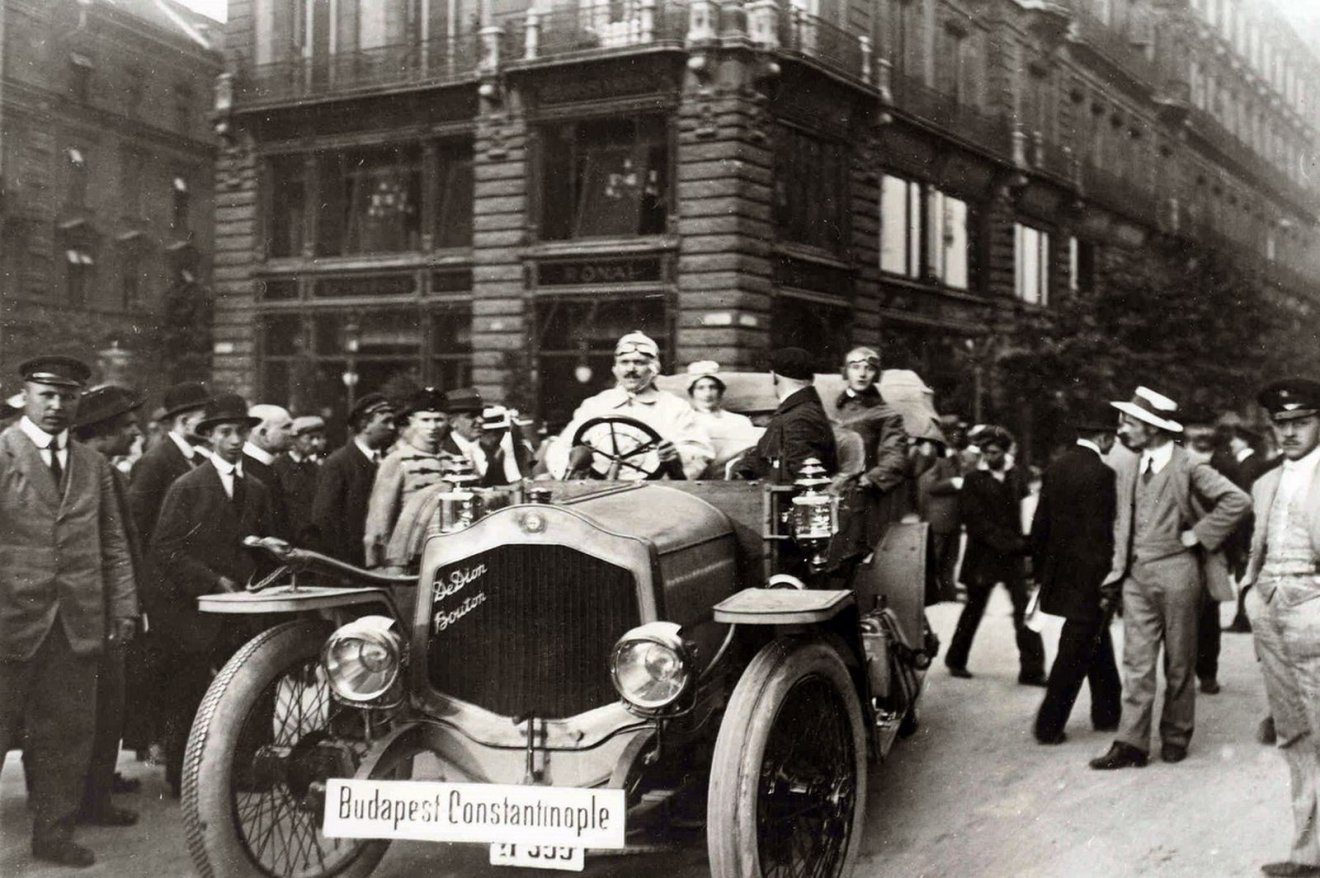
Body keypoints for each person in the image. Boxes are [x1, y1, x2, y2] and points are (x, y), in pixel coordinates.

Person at [0, 356, 137, 867]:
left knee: (66, 735)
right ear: (26, 397)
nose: (57, 406)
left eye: (68, 396)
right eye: (47, 395)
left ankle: (53, 835)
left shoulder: (93, 465)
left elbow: (113, 543)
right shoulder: (3, 452)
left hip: (76, 623)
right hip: (9, 621)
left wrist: (123, 606)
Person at [1089, 386, 1250, 770]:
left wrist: (1200, 534)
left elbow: (1238, 501)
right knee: (1137, 662)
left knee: (1179, 661)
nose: (1122, 428)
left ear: (1152, 427)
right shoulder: (1129, 462)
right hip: (1136, 577)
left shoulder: (1188, 465)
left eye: (1129, 422)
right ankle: (1131, 743)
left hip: (1178, 573)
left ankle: (1176, 736)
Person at [151, 394, 275, 798]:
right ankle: (181, 777)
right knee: (188, 692)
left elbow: (260, 543)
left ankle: (240, 771)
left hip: (242, 607)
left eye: (241, 432)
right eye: (226, 432)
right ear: (209, 436)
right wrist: (211, 580)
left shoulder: (256, 487)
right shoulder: (187, 486)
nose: (235, 440)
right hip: (196, 609)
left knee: (245, 689)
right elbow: (165, 548)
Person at [1241, 378, 1320, 878]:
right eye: (1281, 424)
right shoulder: (1265, 482)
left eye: (1302, 422)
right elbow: (1259, 545)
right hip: (1269, 608)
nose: (1289, 433)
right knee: (1293, 733)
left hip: (1314, 606)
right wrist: (1251, 592)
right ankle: (1308, 854)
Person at [69, 385, 146, 827]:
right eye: (128, 425)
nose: (136, 433)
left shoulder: (104, 470)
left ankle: (93, 788)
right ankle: (91, 798)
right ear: (103, 431)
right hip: (92, 608)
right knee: (99, 705)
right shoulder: (96, 472)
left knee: (102, 705)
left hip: (103, 605)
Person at [124, 380, 210, 765]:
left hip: (186, 584)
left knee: (185, 672)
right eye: (205, 418)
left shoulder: (197, 458)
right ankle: (162, 746)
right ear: (185, 420)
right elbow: (137, 528)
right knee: (168, 670)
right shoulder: (156, 461)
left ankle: (176, 750)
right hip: (162, 588)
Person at [1031, 402, 1122, 745]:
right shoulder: (1103, 474)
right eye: (1112, 437)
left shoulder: (1056, 467)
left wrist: (1040, 572)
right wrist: (1109, 580)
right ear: (1103, 437)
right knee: (1075, 648)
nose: (1113, 443)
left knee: (1095, 639)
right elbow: (1102, 535)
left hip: (1061, 573)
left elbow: (1041, 524)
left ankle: (1108, 713)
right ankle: (1049, 725)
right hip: (1091, 577)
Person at [943, 426, 1045, 685]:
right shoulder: (973, 479)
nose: (990, 457)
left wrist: (1027, 543)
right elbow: (975, 522)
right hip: (983, 556)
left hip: (1011, 557)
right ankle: (956, 660)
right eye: (986, 452)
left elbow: (1027, 512)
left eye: (995, 452)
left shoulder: (1016, 476)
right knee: (974, 610)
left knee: (1024, 610)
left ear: (1006, 452)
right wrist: (1014, 544)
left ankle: (1032, 671)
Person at [547, 331, 713, 480]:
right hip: (598, 489)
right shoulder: (595, 405)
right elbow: (562, 447)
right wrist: (573, 471)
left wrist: (675, 457)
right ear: (615, 369)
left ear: (654, 369)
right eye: (624, 362)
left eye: (639, 362)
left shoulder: (675, 407)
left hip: (655, 491)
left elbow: (699, 450)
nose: (630, 369)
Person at [363, 386, 453, 568]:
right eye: (425, 420)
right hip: (410, 556)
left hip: (449, 553)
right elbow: (380, 519)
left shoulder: (455, 461)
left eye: (438, 420)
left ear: (447, 421)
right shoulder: (397, 460)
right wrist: (379, 563)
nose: (432, 427)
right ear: (413, 421)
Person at [833, 347, 910, 546]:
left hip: (860, 497)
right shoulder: (830, 409)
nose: (862, 373)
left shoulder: (887, 414)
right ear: (844, 371)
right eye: (855, 367)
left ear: (877, 374)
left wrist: (868, 479)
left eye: (869, 368)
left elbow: (894, 457)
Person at [312, 393, 396, 567]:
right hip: (351, 564)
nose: (392, 427)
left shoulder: (389, 460)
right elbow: (325, 520)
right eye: (385, 422)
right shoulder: (338, 463)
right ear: (365, 425)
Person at [731, 347, 837, 483]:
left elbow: (804, 477)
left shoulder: (799, 417)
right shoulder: (797, 411)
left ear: (774, 377)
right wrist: (741, 468)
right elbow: (765, 455)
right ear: (811, 378)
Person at [1227, 423, 1282, 633]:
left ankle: (1244, 618)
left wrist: (1242, 538)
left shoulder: (1248, 465)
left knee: (1246, 573)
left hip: (1246, 530)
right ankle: (1242, 616)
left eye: (1235, 439)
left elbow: (1246, 504)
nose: (1231, 443)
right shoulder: (1248, 464)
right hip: (1245, 529)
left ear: (1244, 441)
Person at [685, 361, 760, 472]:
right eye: (700, 388)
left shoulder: (740, 421)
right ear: (692, 393)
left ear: (720, 391)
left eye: (712, 387)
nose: (707, 394)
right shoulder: (687, 420)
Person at [243, 403, 295, 539]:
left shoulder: (270, 467)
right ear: (264, 434)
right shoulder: (246, 471)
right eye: (286, 427)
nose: (294, 432)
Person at [273, 415, 325, 546]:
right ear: (294, 439)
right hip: (288, 540)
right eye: (310, 438)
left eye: (318, 438)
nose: (315, 443)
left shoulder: (316, 468)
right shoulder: (278, 467)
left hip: (313, 540)